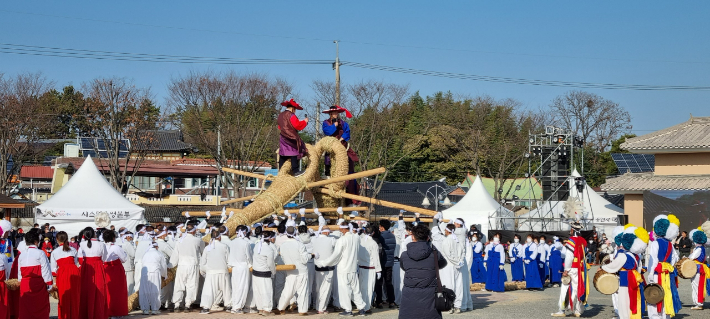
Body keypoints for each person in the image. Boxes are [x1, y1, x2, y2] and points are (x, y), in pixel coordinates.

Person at [315, 222, 367, 316]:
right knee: (355, 289)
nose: (339, 230)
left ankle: (348, 310)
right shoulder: (356, 238)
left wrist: (323, 263)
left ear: (343, 229)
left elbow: (335, 256)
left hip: (344, 269)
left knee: (344, 290)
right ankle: (361, 308)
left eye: (340, 229)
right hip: (353, 268)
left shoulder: (342, 240)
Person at [399, 224, 447, 319]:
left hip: (409, 293)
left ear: (412, 236)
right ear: (428, 237)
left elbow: (404, 267)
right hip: (430, 292)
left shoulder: (404, 255)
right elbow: (442, 264)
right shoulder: (434, 253)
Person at [601, 226, 649, 319]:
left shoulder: (623, 255)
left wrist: (602, 267)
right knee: (632, 299)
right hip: (634, 280)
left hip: (625, 280)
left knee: (624, 302)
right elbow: (639, 268)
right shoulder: (635, 255)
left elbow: (613, 266)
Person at [321, 105, 360, 205]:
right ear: (330, 114)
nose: (335, 114)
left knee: (349, 169)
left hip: (343, 147)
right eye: (333, 113)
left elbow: (347, 132)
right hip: (331, 149)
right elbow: (327, 132)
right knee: (329, 166)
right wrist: (334, 126)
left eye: (336, 113)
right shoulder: (326, 123)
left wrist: (341, 139)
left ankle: (351, 200)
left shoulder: (344, 123)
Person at [646, 214, 682, 318]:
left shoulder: (655, 243)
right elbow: (675, 258)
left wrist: (651, 273)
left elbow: (653, 259)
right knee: (666, 291)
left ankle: (655, 315)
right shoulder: (670, 244)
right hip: (667, 270)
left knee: (655, 292)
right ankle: (665, 314)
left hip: (658, 271)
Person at [552, 222, 588, 317]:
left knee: (565, 288)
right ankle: (578, 311)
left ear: (572, 230)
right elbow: (585, 254)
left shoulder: (571, 241)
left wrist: (566, 270)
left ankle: (562, 309)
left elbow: (569, 256)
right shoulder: (583, 241)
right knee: (578, 288)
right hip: (580, 268)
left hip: (572, 267)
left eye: (570, 229)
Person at [17, 229, 52, 319]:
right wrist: (49, 284)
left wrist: (20, 282)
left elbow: (19, 273)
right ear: (36, 242)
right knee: (40, 307)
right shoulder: (40, 253)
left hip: (25, 284)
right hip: (38, 284)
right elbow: (45, 270)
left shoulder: (22, 254)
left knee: (26, 308)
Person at [276, 226, 311, 315]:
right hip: (302, 271)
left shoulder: (282, 246)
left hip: (290, 271)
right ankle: (302, 311)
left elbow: (283, 258)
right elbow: (304, 260)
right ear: (295, 233)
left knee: (287, 291)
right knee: (302, 291)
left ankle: (281, 308)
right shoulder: (300, 244)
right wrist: (312, 256)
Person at [170, 224, 205, 312]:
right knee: (191, 285)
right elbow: (202, 253)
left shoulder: (179, 241)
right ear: (193, 231)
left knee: (179, 285)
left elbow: (175, 255)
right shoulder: (198, 240)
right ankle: (188, 304)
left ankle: (177, 305)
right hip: (193, 265)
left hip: (181, 265)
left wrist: (170, 266)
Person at [430, 221, 462, 313]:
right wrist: (459, 262)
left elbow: (448, 254)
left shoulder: (446, 240)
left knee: (449, 284)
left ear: (447, 230)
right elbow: (462, 251)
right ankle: (457, 305)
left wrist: (455, 261)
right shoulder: (457, 239)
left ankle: (450, 305)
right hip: (457, 265)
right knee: (458, 285)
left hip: (449, 265)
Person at [78, 227, 109, 319]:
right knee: (100, 290)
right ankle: (98, 314)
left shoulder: (82, 244)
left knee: (85, 290)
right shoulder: (101, 244)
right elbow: (104, 257)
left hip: (86, 267)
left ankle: (85, 314)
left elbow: (80, 259)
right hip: (98, 267)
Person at [199, 230, 232, 314]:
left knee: (209, 290)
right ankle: (228, 306)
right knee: (226, 289)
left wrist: (205, 271)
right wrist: (229, 268)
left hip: (211, 272)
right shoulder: (224, 246)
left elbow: (203, 262)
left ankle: (206, 307)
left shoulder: (207, 248)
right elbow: (229, 260)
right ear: (220, 237)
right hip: (223, 271)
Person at [50, 231, 80, 319]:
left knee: (63, 296)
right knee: (75, 296)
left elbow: (53, 269)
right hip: (74, 272)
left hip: (62, 273)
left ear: (57, 240)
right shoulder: (73, 250)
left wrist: (54, 283)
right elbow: (75, 262)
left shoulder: (55, 252)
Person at [277, 98, 308, 176]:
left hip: (283, 136)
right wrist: (305, 122)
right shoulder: (291, 115)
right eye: (295, 109)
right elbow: (297, 125)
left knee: (283, 153)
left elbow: (279, 127)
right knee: (294, 152)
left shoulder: (280, 115)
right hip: (291, 137)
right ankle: (296, 171)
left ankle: (281, 171)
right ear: (293, 108)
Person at [311, 223, 337, 314]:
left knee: (318, 288)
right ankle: (321, 308)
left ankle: (318, 306)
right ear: (327, 233)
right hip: (328, 268)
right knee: (325, 289)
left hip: (317, 267)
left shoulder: (314, 239)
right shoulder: (332, 240)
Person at [103, 230, 129, 318]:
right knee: (118, 292)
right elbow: (124, 259)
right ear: (113, 238)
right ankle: (117, 312)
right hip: (116, 270)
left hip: (105, 270)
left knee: (107, 291)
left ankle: (108, 311)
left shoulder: (102, 246)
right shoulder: (116, 247)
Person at [228, 225, 253, 314]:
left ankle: (235, 305)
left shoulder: (232, 242)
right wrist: (251, 265)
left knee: (235, 287)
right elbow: (249, 257)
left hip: (234, 267)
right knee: (242, 288)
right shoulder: (246, 243)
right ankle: (237, 307)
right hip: (243, 267)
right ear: (245, 232)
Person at [252, 231, 278, 316]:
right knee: (266, 291)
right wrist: (273, 272)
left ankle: (260, 308)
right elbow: (271, 263)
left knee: (258, 291)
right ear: (269, 238)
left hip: (255, 272)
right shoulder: (269, 249)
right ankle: (266, 310)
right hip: (264, 273)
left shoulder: (256, 246)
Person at [358, 225, 382, 313]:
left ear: (365, 232)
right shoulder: (373, 243)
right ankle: (366, 307)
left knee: (361, 287)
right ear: (373, 233)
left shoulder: (360, 241)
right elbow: (376, 258)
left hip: (361, 267)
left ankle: (361, 305)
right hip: (370, 268)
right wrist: (378, 270)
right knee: (368, 288)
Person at [139, 241, 168, 315]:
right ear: (156, 247)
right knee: (155, 290)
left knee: (145, 291)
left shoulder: (145, 254)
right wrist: (164, 275)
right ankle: (154, 309)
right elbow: (163, 266)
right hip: (155, 272)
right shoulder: (159, 253)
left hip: (145, 273)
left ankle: (145, 309)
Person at [375, 218, 397, 309]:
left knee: (379, 283)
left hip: (381, 262)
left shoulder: (380, 236)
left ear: (382, 227)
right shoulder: (393, 236)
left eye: (380, 226)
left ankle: (379, 302)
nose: (379, 228)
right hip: (390, 262)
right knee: (389, 283)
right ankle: (391, 302)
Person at [688, 228, 709, 310]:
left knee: (696, 286)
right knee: (697, 285)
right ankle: (698, 302)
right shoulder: (702, 248)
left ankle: (698, 303)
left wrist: (687, 257)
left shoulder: (699, 249)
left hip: (698, 269)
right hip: (699, 268)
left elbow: (691, 257)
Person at [155, 230, 175, 310]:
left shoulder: (154, 243)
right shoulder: (164, 245)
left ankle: (158, 302)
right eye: (165, 234)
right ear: (162, 236)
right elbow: (173, 254)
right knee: (165, 286)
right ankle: (162, 303)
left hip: (155, 267)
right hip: (164, 267)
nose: (167, 235)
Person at [0, 220, 13, 319]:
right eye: (7, 232)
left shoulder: (9, 242)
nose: (8, 234)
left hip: (7, 265)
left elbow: (11, 255)